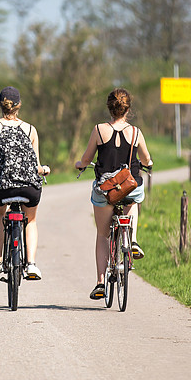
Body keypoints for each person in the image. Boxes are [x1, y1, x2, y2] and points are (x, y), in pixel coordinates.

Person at [75, 87, 153, 300]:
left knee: (102, 235)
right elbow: (146, 159)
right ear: (128, 109)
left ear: (110, 107)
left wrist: (80, 165)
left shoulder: (99, 130)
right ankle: (133, 240)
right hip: (129, 186)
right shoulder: (136, 132)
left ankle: (100, 282)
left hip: (106, 190)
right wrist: (148, 164)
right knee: (134, 199)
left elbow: (86, 158)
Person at [0, 86, 50, 280]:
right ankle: (32, 264)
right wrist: (44, 169)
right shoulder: (31, 129)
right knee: (31, 220)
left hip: (3, 188)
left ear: (0, 104)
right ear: (19, 105)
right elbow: (35, 166)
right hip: (29, 188)